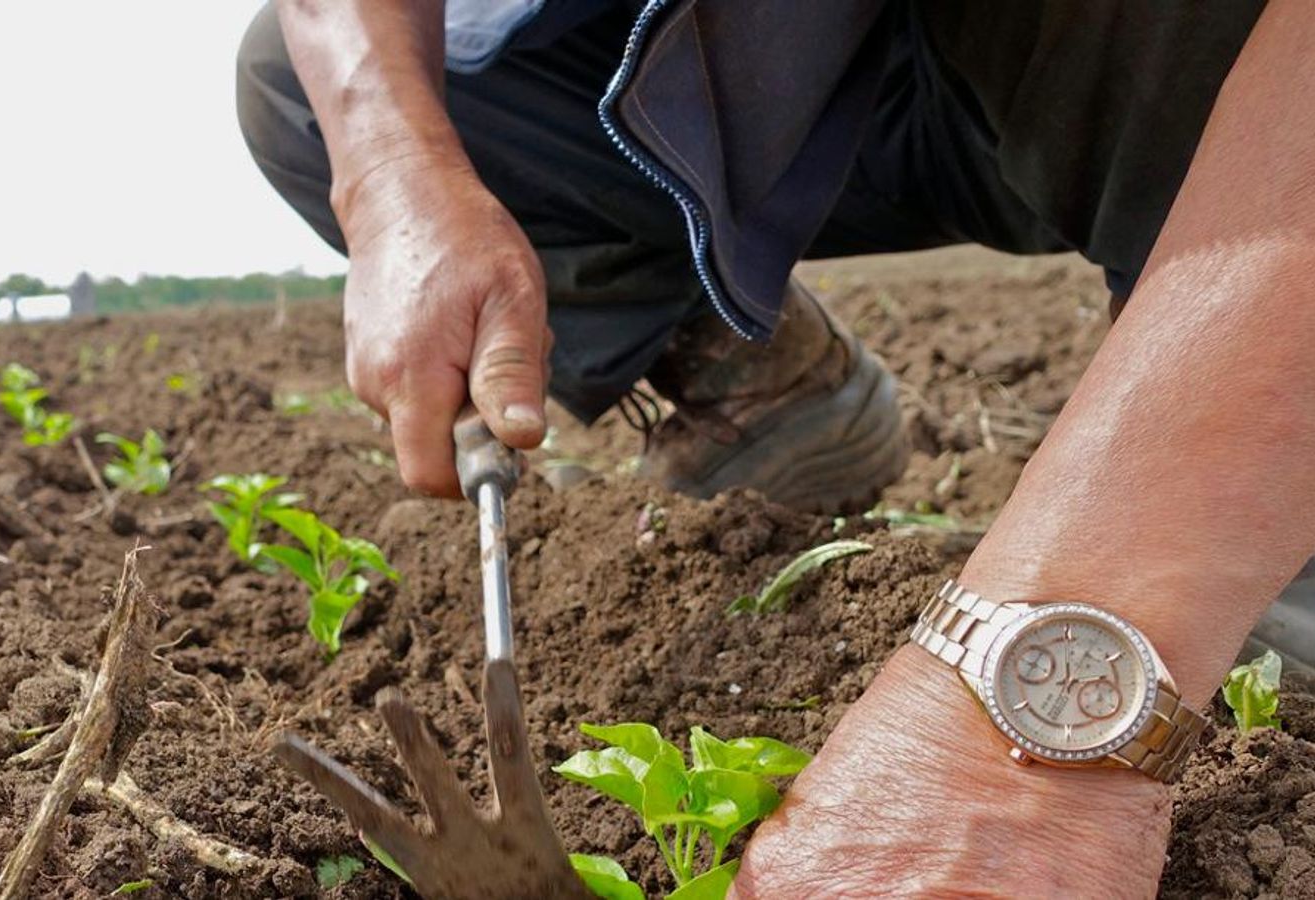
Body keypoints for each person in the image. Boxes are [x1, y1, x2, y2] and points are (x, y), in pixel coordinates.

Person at [238, 1, 1315, 895]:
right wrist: (390, 182)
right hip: (795, 63)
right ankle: (759, 379)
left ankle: (1243, 443)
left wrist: (1029, 711)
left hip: (1187, 69)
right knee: (298, 83)